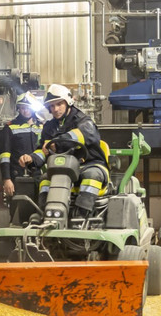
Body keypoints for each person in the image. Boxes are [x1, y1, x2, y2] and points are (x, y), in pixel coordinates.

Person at [19, 84, 109, 219]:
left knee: (91, 175)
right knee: (45, 179)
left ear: (68, 102)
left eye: (59, 104)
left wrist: (58, 142)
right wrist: (32, 159)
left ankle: (81, 215)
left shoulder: (83, 121)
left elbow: (85, 135)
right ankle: (44, 214)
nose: (55, 109)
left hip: (90, 164)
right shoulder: (49, 127)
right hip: (63, 168)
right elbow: (43, 150)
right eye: (52, 106)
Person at [0, 91, 43, 198]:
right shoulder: (10, 127)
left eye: (28, 107)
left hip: (39, 175)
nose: (25, 110)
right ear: (18, 108)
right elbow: (4, 155)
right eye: (23, 108)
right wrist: (6, 179)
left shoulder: (41, 126)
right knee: (19, 205)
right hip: (18, 175)